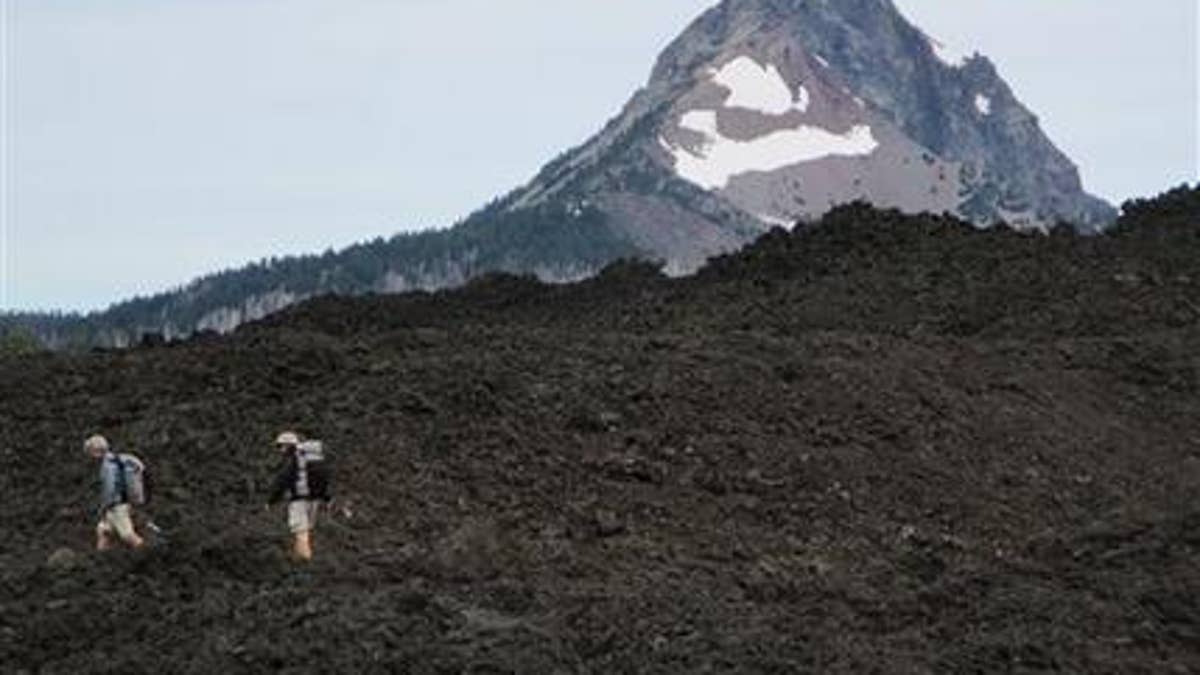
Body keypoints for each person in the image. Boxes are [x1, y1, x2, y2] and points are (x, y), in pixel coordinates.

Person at [268, 431, 332, 561]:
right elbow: (323, 479)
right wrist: (326, 498)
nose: (280, 450)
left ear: (289, 445)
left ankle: (304, 560)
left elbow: (283, 481)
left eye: (281, 446)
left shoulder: (294, 460)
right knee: (305, 530)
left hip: (298, 500)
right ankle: (301, 557)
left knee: (300, 531)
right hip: (314, 499)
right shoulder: (314, 458)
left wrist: (271, 501)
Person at [85, 434, 145, 551]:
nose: (89, 456)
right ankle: (102, 561)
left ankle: (147, 552)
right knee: (103, 530)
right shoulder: (114, 461)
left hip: (117, 506)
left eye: (90, 451)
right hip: (118, 504)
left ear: (95, 451)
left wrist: (103, 507)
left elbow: (110, 489)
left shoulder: (108, 466)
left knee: (127, 535)